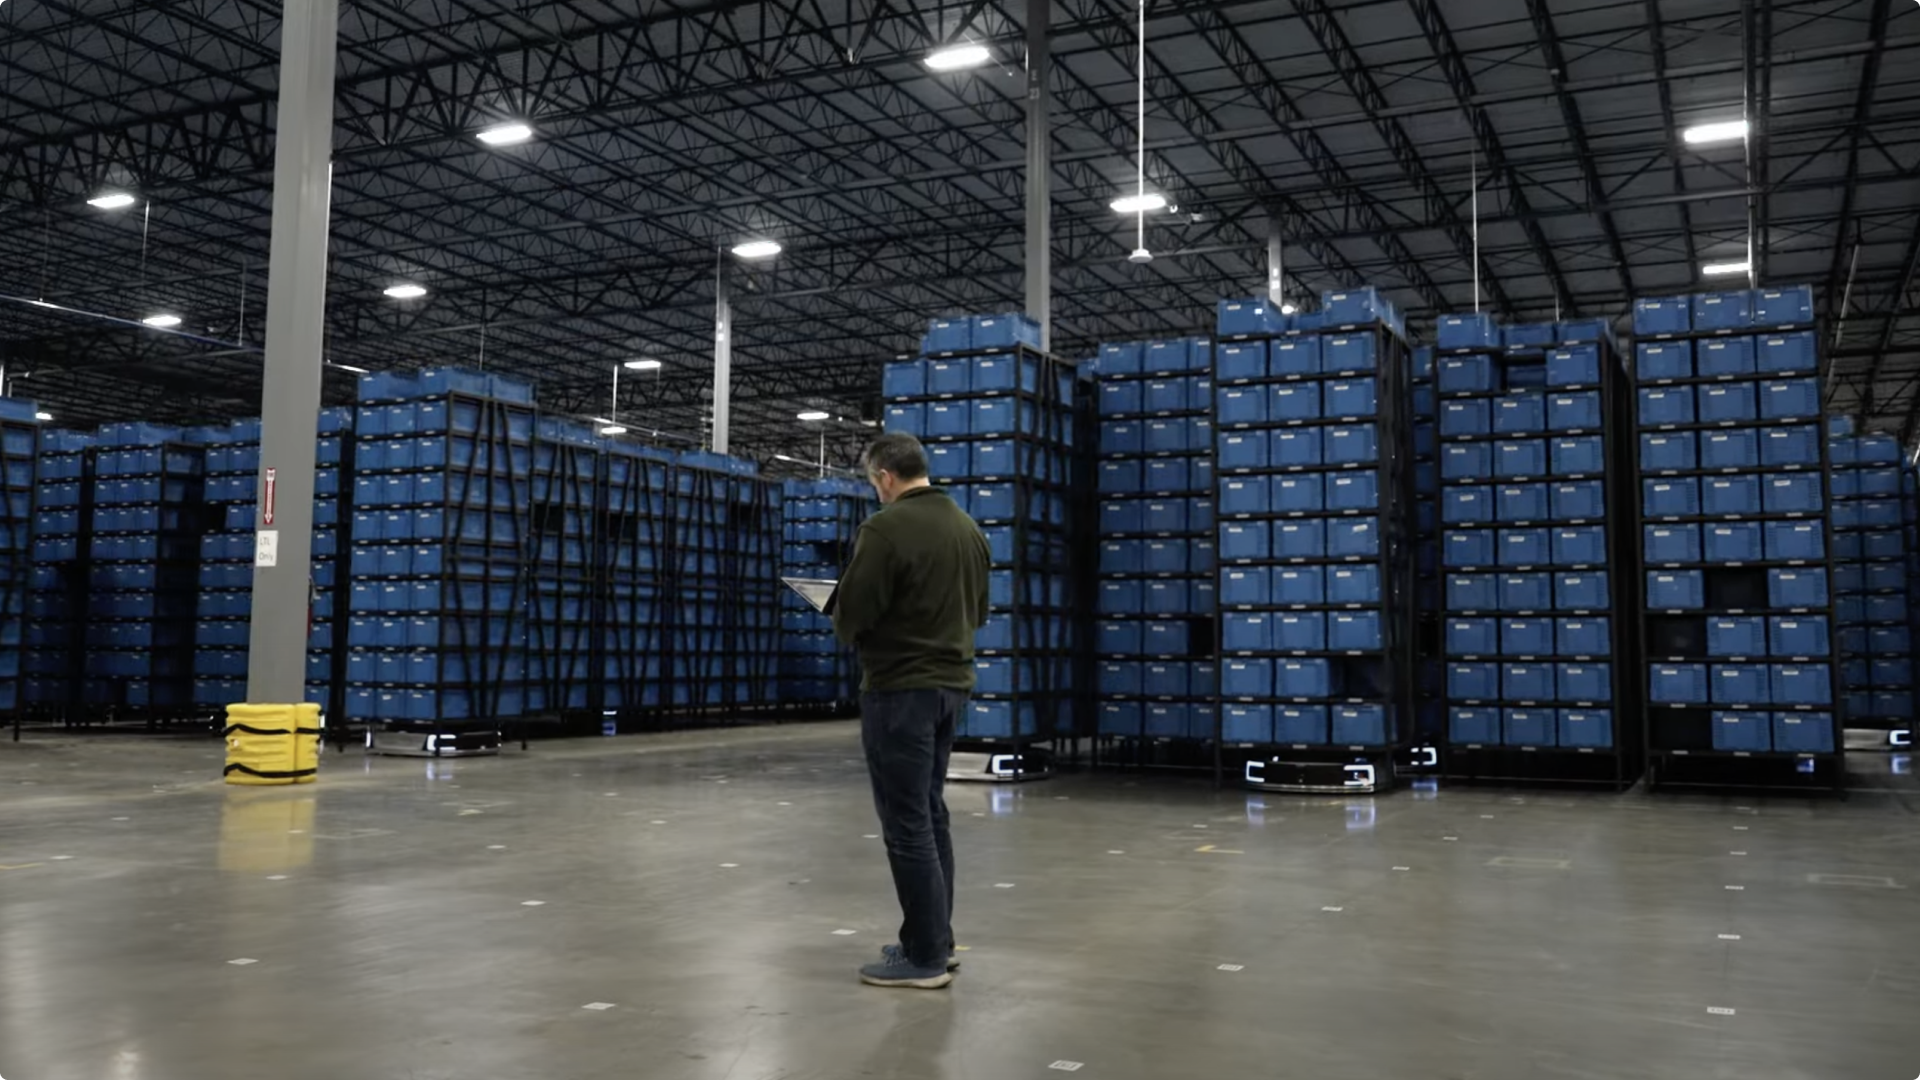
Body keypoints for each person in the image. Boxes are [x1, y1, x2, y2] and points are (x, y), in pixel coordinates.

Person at [832, 432, 990, 989]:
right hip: (952, 686)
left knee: (906, 824)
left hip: (899, 690)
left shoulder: (883, 530)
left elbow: (852, 616)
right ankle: (934, 939)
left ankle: (923, 958)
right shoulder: (969, 529)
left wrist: (837, 607)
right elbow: (981, 610)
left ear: (884, 478)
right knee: (929, 812)